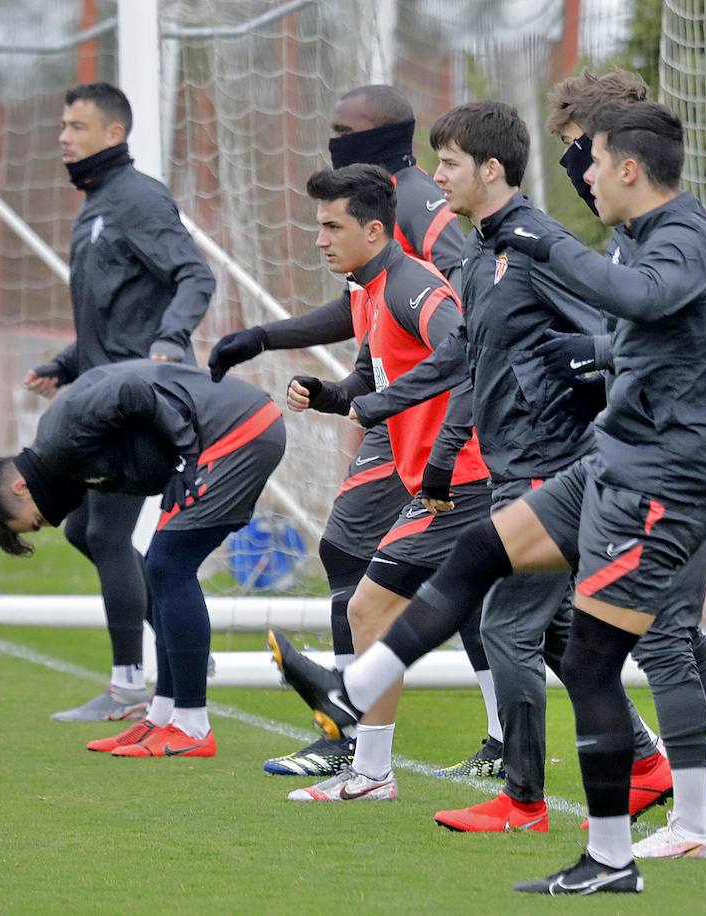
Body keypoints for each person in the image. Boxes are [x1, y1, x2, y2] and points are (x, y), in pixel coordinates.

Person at [270, 101, 706, 894]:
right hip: (607, 465)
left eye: (588, 160)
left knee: (600, 652)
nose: (581, 175)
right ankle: (352, 693)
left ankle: (612, 848)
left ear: (628, 167)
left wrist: (547, 263)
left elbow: (626, 304)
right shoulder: (592, 241)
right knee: (482, 557)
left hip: (662, 477)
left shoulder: (685, 242)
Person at [332, 100, 671, 834]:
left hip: (555, 467)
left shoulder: (538, 245)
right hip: (515, 468)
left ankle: (523, 801)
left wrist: (583, 411)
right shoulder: (481, 251)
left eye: (448, 162)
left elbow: (611, 338)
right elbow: (463, 356)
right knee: (548, 634)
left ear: (491, 169)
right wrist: (381, 406)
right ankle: (645, 763)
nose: (435, 175)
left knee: (508, 628)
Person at [207, 85, 503, 780]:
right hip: (412, 427)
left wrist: (409, 409)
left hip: (450, 440)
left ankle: (356, 730)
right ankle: (372, 736)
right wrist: (331, 384)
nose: (332, 135)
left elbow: (457, 323)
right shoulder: (374, 247)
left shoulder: (421, 212)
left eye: (344, 128)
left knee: (488, 604)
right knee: (441, 584)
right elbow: (367, 324)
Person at [269, 163, 494, 803]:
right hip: (443, 481)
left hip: (463, 482)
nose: (320, 239)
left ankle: (368, 764)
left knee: (371, 606)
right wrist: (327, 395)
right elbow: (368, 384)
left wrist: (439, 449)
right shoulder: (368, 289)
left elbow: (466, 354)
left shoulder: (413, 289)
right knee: (525, 629)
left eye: (331, 226)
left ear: (373, 229)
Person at [0, 359, 284, 759]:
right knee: (159, 567)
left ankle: (193, 726)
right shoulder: (61, 457)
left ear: (20, 487)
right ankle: (162, 716)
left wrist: (185, 454)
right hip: (224, 434)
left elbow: (131, 390)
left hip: (238, 430)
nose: (44, 524)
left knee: (169, 567)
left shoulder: (60, 436)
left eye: (32, 523)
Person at [23, 82, 217, 722]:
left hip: (142, 400)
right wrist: (66, 364)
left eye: (76, 125)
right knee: (82, 526)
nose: (63, 136)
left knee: (103, 530)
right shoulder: (97, 204)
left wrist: (169, 341)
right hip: (104, 394)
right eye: (62, 124)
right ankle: (185, 642)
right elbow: (112, 317)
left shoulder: (137, 198)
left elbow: (195, 275)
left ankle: (131, 682)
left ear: (114, 134)